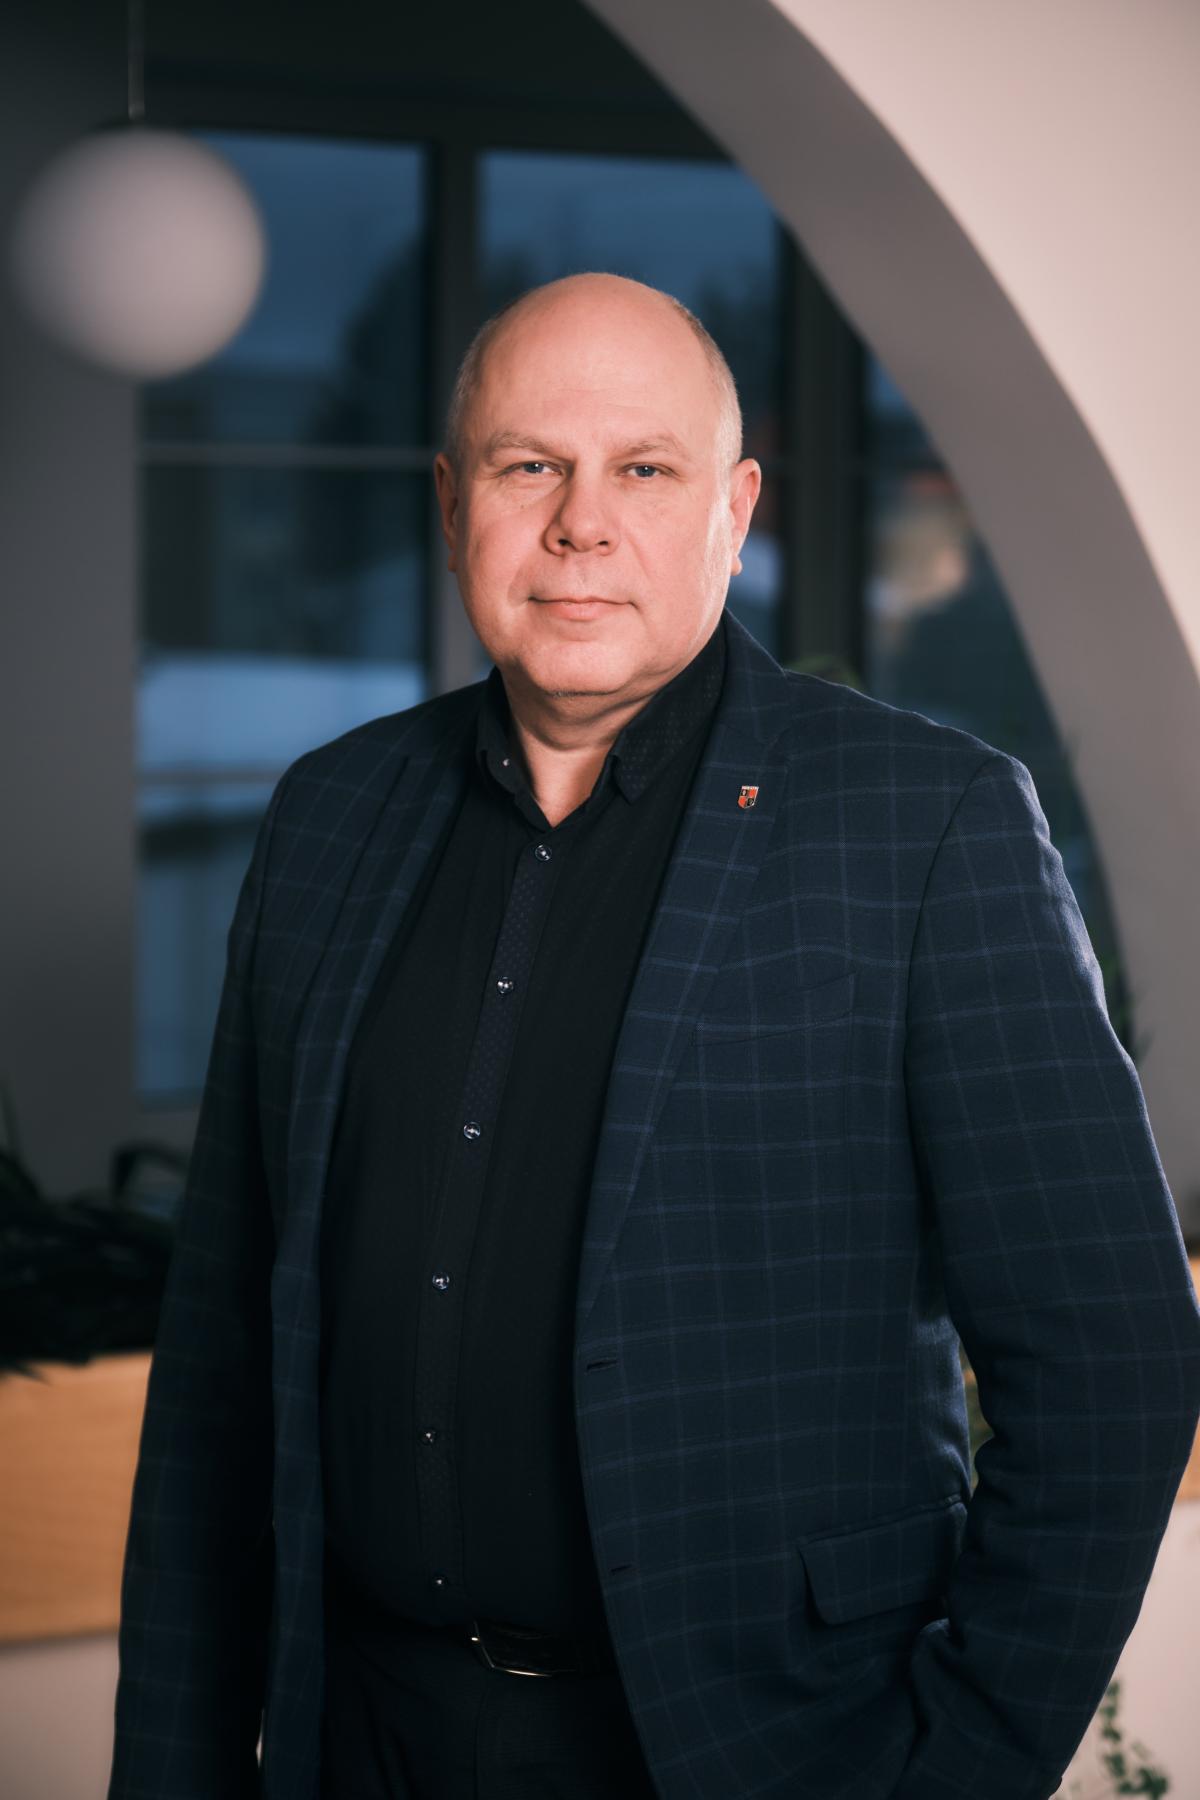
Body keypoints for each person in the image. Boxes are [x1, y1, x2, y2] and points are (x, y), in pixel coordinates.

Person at [108, 272, 1200, 1800]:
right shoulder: (330, 816)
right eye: (529, 466)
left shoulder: (922, 825)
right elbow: (224, 1354)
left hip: (755, 1751)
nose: (581, 524)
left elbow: (1112, 1360)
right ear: (454, 505)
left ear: (733, 510)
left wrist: (953, 1771)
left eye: (643, 468)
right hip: (364, 1735)